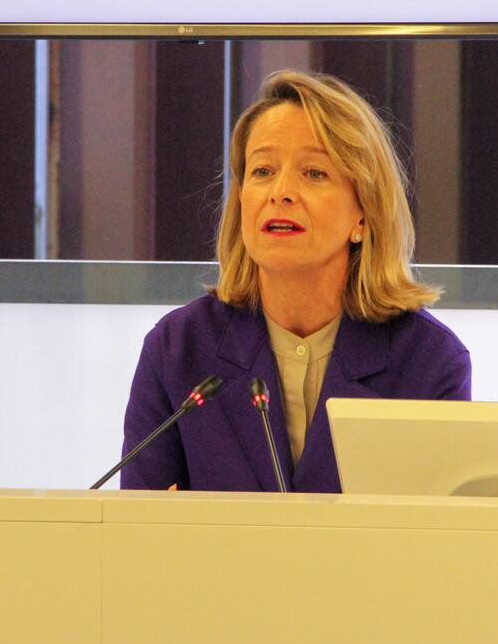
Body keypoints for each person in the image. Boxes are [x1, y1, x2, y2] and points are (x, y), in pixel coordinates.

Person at [119, 70, 471, 492]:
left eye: (314, 173)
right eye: (262, 171)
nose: (280, 192)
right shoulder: (178, 350)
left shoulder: (428, 362)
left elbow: (437, 530)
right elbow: (138, 524)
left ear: (363, 212)